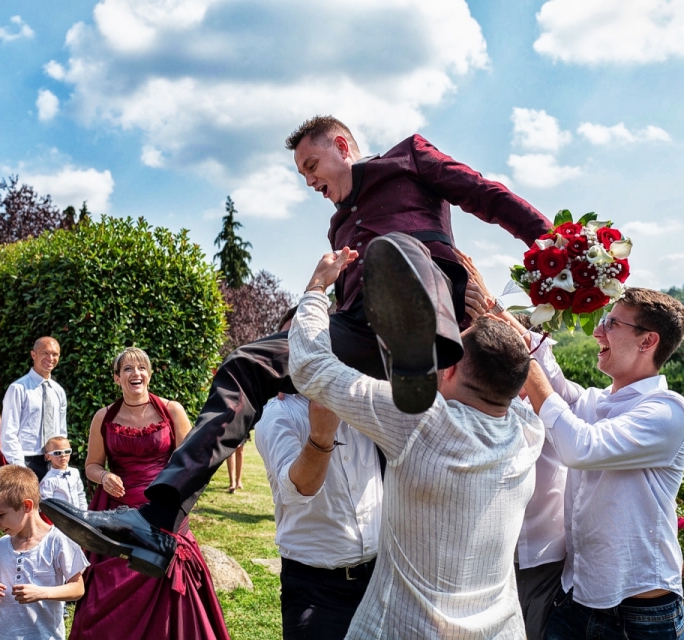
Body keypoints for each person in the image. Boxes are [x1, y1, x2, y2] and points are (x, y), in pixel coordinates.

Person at [43, 115, 552, 577]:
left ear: (342, 144)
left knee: (394, 255)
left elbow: (485, 194)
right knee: (248, 363)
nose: (311, 182)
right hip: (360, 330)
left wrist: (550, 243)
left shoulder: (408, 158)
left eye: (313, 166)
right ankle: (156, 519)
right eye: (303, 176)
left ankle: (419, 351)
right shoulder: (337, 227)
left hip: (437, 308)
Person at [284, 240, 544, 638]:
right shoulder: (529, 432)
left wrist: (317, 289)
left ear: (451, 367)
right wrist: (492, 310)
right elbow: (520, 365)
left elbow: (312, 366)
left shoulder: (421, 421)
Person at [514, 288, 684, 640]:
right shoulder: (593, 401)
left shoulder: (667, 410)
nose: (598, 331)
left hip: (640, 617)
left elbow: (580, 447)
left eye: (611, 323)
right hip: (573, 604)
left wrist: (527, 363)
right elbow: (549, 382)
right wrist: (491, 306)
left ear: (648, 342)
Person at [60, 347, 229, 639]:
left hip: (163, 514)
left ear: (149, 375)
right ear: (116, 378)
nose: (135, 374)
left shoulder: (171, 411)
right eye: (127, 369)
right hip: (119, 519)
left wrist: (173, 505)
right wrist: (104, 476)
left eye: (141, 368)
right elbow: (91, 465)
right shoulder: (104, 417)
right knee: (103, 599)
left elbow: (191, 465)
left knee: (168, 594)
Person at [455, 250, 567, 640]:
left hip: (537, 549)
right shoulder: (470, 372)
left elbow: (537, 380)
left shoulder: (540, 368)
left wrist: (490, 312)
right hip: (484, 549)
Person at [255, 308, 383, 639]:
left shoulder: (365, 395)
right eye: (292, 343)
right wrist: (321, 437)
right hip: (314, 589)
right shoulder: (278, 414)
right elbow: (300, 488)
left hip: (378, 579)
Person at [0, 465, 89, 640]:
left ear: (27, 506)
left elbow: (78, 588)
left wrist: (42, 592)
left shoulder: (58, 541)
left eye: (0, 515)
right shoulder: (1, 545)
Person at [1, 337, 67, 480]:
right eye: (45, 353)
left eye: (55, 354)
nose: (50, 358)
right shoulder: (18, 389)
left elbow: (62, 431)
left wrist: (62, 458)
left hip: (53, 462)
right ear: (33, 355)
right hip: (26, 460)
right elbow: (8, 432)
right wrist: (19, 467)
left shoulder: (59, 391)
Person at [39, 436, 88, 510]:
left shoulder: (75, 472)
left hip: (78, 516)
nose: (63, 455)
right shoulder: (48, 480)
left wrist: (84, 512)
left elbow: (80, 494)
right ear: (48, 456)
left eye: (67, 451)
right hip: (60, 519)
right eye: (57, 453)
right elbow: (46, 505)